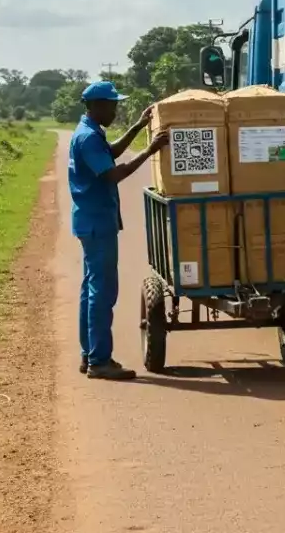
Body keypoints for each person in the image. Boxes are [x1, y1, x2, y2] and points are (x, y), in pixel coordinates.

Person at [68, 80, 169, 380]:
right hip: (97, 222)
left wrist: (138, 126)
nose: (115, 109)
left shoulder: (90, 132)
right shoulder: (87, 138)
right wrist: (150, 150)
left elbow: (110, 152)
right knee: (102, 291)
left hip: (91, 221)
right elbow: (114, 174)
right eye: (112, 105)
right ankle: (100, 360)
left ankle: (89, 355)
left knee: (91, 289)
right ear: (97, 106)